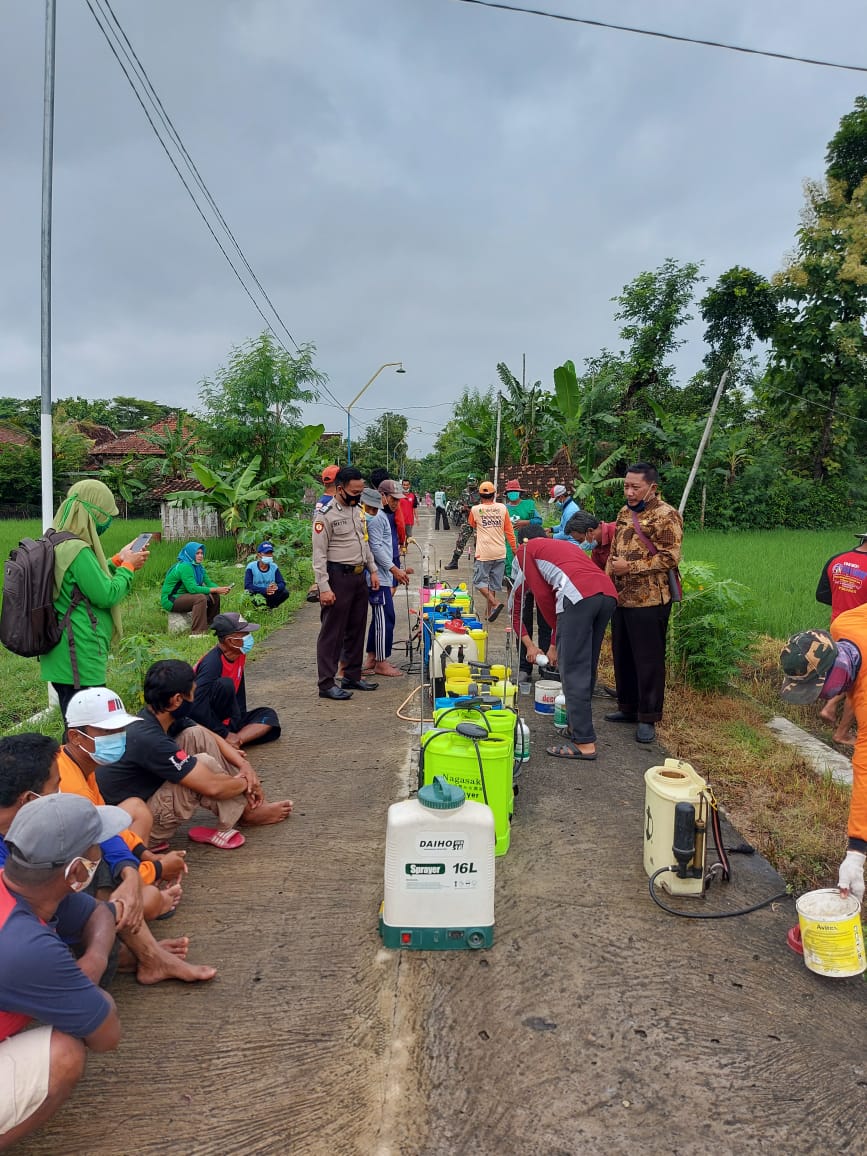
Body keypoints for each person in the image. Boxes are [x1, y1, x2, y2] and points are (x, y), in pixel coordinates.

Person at [0, 793, 125, 1148]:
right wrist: (82, 987)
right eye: (95, 847)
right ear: (76, 872)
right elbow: (106, 1035)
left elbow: (99, 912)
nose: (99, 854)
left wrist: (93, 961)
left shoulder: (21, 890)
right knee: (65, 1054)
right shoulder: (25, 946)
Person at [96, 660, 292, 849]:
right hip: (132, 832)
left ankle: (247, 808)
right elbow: (213, 787)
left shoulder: (154, 717)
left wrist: (244, 766)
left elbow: (205, 732)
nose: (195, 699)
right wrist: (248, 782)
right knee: (203, 766)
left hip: (137, 802)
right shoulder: (150, 739)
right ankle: (246, 811)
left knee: (195, 734)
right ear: (177, 700)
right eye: (193, 694)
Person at [59, 693, 188, 922]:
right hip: (75, 868)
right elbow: (97, 850)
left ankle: (136, 880)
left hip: (91, 846)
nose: (118, 737)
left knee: (137, 810)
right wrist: (157, 869)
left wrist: (147, 856)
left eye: (119, 730)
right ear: (75, 737)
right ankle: (135, 893)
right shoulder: (72, 789)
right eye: (107, 732)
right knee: (148, 898)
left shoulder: (80, 764)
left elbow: (106, 829)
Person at [39, 479, 149, 721]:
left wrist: (119, 561)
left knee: (76, 723)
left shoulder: (57, 542)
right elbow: (106, 594)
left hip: (61, 655)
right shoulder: (77, 549)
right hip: (78, 655)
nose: (108, 522)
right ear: (92, 512)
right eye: (106, 515)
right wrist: (129, 568)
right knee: (86, 729)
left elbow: (84, 584)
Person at [779, 620, 867, 902]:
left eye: (821, 691)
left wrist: (856, 852)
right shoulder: (844, 624)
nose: (820, 699)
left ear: (837, 672)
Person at [510, 532, 617, 760]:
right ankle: (576, 726)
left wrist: (555, 644)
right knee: (586, 664)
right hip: (607, 594)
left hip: (578, 596)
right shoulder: (562, 548)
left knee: (573, 669)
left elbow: (542, 596)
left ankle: (584, 743)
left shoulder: (524, 551)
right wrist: (535, 644)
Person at [605, 463, 683, 745]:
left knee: (648, 660)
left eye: (635, 487)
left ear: (652, 488)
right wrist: (607, 581)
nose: (629, 491)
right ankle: (627, 707)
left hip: (650, 599)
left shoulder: (667, 515)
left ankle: (648, 716)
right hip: (622, 597)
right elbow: (614, 552)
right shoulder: (625, 513)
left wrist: (632, 568)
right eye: (626, 486)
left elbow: (670, 557)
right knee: (622, 654)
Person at [312, 467, 380, 700]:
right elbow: (318, 555)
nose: (358, 496)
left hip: (359, 577)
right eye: (354, 492)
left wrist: (372, 570)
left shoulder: (356, 510)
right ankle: (326, 683)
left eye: (361, 491)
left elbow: (364, 543)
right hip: (337, 577)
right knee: (332, 633)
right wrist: (324, 587)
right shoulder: (325, 514)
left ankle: (352, 675)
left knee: (356, 629)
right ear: (340, 489)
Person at [190, 612, 281, 746]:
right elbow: (195, 706)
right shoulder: (212, 663)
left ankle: (234, 742)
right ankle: (224, 739)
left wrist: (238, 719)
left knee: (268, 715)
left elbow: (239, 690)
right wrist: (223, 732)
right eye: (245, 635)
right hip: (206, 720)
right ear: (230, 641)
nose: (249, 637)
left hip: (227, 719)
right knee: (225, 685)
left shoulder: (239, 655)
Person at [816, 530, 867, 742]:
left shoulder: (836, 560)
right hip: (862, 630)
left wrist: (843, 603)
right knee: (860, 682)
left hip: (837, 626)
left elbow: (821, 595)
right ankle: (842, 732)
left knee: (846, 670)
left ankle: (829, 706)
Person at [360, 488, 410, 678]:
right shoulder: (377, 517)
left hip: (383, 575)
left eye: (398, 499)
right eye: (392, 498)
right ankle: (380, 661)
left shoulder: (380, 516)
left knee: (382, 618)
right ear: (383, 497)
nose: (396, 502)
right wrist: (393, 569)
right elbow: (375, 548)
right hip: (378, 577)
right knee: (384, 618)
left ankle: (372, 657)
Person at [468, 482, 517, 622]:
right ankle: (489, 612)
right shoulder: (502, 508)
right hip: (500, 552)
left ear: (480, 495)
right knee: (493, 585)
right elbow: (509, 531)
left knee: (478, 582)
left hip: (484, 553)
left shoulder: (475, 509)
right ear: (494, 494)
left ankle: (495, 604)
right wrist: (514, 549)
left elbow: (471, 524)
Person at [160, 542, 231, 637]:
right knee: (200, 598)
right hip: (171, 599)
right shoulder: (185, 566)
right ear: (190, 553)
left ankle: (212, 625)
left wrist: (220, 589)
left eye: (202, 553)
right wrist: (214, 589)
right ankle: (198, 633)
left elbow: (209, 583)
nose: (200, 555)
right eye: (197, 553)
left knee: (214, 595)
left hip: (185, 596)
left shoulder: (198, 566)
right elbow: (193, 589)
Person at [513, 526, 554, 684]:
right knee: (524, 623)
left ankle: (547, 665)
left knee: (547, 625)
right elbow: (516, 585)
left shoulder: (550, 554)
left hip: (547, 591)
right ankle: (525, 667)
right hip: (525, 591)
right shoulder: (519, 557)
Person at [503, 479, 542, 572]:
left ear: (519, 492)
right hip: (509, 544)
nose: (512, 493)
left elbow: (539, 521)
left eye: (514, 491)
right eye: (510, 491)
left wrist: (525, 522)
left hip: (527, 542)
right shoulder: (503, 508)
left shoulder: (529, 505)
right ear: (507, 494)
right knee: (510, 567)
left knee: (527, 567)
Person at [443, 475, 480, 570]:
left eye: (473, 481)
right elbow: (458, 504)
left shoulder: (481, 492)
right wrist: (462, 508)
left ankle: (477, 564)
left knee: (479, 542)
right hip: (467, 520)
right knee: (460, 541)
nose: (471, 484)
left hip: (478, 521)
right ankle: (454, 562)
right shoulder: (464, 492)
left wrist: (474, 509)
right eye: (469, 482)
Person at [245, 542, 289, 611]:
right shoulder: (251, 566)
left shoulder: (274, 566)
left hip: (271, 593)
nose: (269, 555)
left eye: (270, 553)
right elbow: (247, 585)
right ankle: (258, 608)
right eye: (266, 553)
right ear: (259, 555)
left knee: (285, 592)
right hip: (258, 593)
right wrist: (264, 590)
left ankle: (271, 607)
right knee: (249, 592)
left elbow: (282, 583)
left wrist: (276, 587)